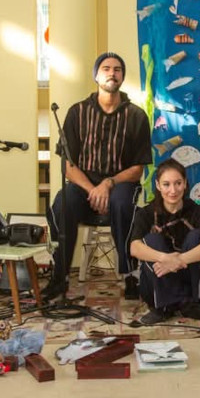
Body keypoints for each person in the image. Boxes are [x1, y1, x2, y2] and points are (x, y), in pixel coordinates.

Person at [46, 52, 151, 300]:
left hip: (121, 183)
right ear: (96, 75)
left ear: (123, 77)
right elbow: (68, 166)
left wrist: (108, 183)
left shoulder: (136, 116)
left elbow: (138, 169)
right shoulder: (76, 112)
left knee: (122, 203)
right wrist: (92, 188)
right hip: (83, 184)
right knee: (62, 203)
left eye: (117, 69)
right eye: (106, 68)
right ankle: (60, 276)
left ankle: (130, 276)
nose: (111, 73)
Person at [128, 160, 200, 326]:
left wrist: (179, 260)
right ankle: (182, 306)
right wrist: (165, 258)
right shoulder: (146, 213)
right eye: (166, 184)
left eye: (178, 183)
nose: (173, 190)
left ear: (185, 183)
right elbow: (134, 248)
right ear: (158, 185)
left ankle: (174, 306)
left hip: (194, 286)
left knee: (197, 236)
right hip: (155, 288)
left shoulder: (197, 212)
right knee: (152, 239)